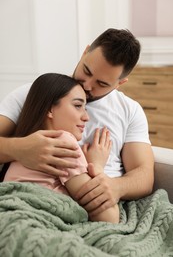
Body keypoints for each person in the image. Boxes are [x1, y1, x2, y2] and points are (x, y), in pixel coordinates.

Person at [0, 28, 154, 219]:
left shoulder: (130, 110)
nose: (87, 85)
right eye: (86, 70)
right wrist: (19, 148)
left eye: (102, 83)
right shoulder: (37, 94)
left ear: (119, 83)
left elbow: (144, 175)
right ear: (85, 52)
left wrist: (114, 187)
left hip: (93, 206)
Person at [3, 73, 119, 223]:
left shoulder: (28, 143)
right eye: (78, 106)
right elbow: (108, 219)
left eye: (86, 108)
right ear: (50, 109)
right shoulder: (62, 141)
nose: (86, 117)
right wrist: (96, 167)